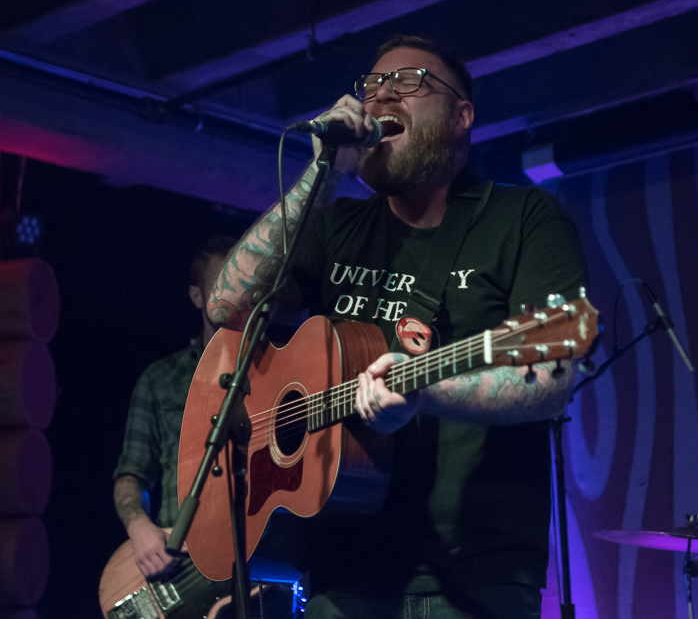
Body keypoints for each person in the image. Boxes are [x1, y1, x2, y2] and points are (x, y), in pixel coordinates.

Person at [208, 35, 588, 619]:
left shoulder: (522, 218)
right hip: (339, 566)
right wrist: (321, 172)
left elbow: (551, 377)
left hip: (470, 573)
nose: (382, 95)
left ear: (462, 117)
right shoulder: (339, 222)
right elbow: (227, 305)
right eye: (373, 85)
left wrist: (425, 391)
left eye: (410, 81)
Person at [113, 234, 233, 577]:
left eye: (244, 282)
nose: (235, 293)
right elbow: (131, 474)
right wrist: (140, 528)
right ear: (197, 295)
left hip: (257, 568)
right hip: (182, 570)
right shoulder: (160, 379)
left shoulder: (278, 369)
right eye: (223, 283)